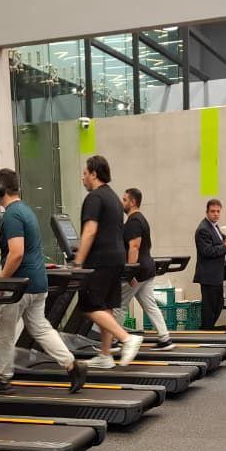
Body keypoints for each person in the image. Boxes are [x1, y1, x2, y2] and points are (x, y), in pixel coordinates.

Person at [0, 168, 88, 394]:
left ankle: (3, 378)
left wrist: (1, 281)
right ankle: (72, 365)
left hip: (17, 286)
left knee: (4, 332)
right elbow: (3, 240)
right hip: (37, 283)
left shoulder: (11, 215)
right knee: (40, 328)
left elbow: (16, 252)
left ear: (0, 189)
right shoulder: (24, 211)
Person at [73, 155, 142, 369]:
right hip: (117, 259)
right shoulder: (113, 197)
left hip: (99, 260)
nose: (82, 178)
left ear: (94, 174)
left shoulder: (94, 198)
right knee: (106, 306)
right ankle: (105, 355)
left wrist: (78, 262)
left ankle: (126, 338)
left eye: (85, 173)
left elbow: (90, 230)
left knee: (88, 306)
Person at [119, 187, 174, 350]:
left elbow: (134, 247)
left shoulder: (134, 221)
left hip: (138, 272)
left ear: (132, 202)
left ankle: (113, 339)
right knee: (150, 305)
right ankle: (165, 338)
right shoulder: (140, 219)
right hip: (147, 270)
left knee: (118, 305)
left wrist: (130, 273)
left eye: (124, 200)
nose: (122, 203)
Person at [194, 198, 226, 330]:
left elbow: (219, 236)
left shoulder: (214, 226)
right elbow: (207, 251)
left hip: (216, 275)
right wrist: (225, 247)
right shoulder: (203, 229)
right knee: (209, 307)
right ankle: (206, 331)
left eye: (218, 211)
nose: (216, 214)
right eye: (213, 211)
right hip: (208, 275)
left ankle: (208, 329)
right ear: (207, 212)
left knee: (218, 304)